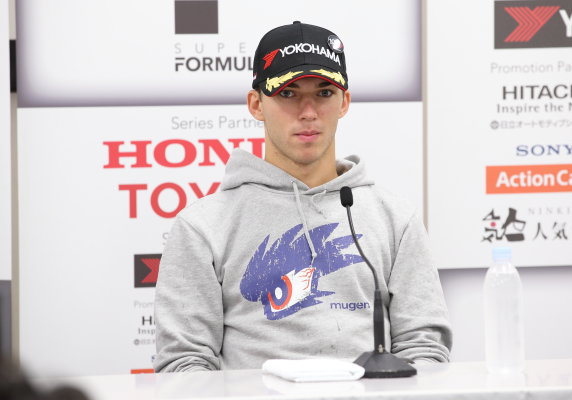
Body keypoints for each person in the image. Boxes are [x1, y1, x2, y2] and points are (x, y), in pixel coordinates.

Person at [154, 21, 451, 372]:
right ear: (256, 104)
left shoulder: (394, 218)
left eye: (324, 93)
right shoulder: (202, 226)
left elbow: (425, 350)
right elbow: (183, 365)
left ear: (344, 102)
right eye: (288, 93)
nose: (308, 112)